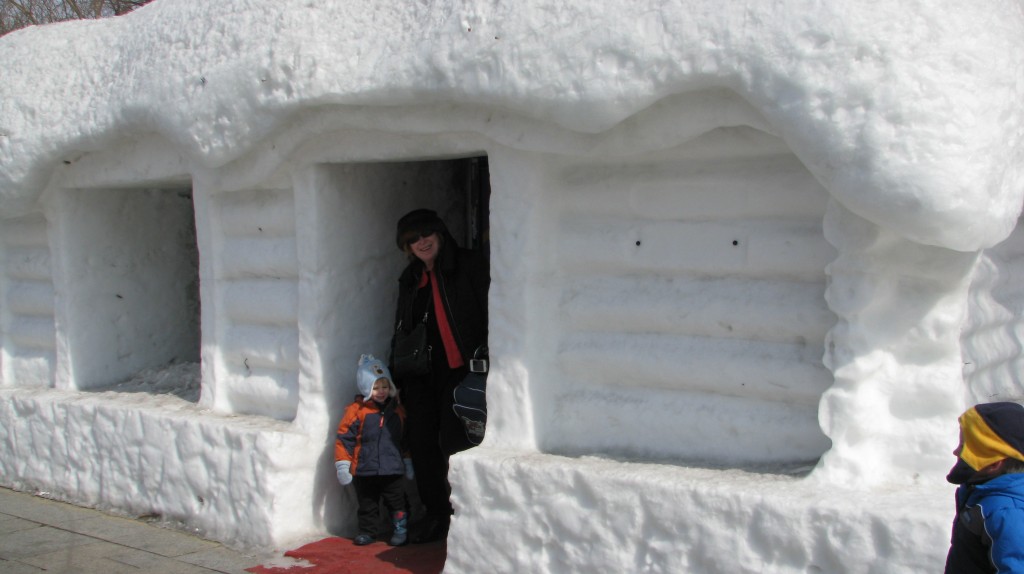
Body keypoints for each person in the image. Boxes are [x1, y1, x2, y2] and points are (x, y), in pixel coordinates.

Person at [390, 208, 488, 543]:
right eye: (413, 239)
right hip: (420, 374)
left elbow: (491, 312)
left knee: (455, 440)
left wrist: (488, 356)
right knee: (422, 444)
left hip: (459, 369)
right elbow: (401, 328)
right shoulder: (409, 278)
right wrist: (396, 379)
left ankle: (467, 514)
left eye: (425, 234)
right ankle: (437, 515)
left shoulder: (468, 265)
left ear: (439, 233)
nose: (421, 242)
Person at [335, 354, 415, 546]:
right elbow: (345, 438)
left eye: (384, 387)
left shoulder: (397, 411)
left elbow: (404, 439)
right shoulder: (356, 411)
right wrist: (343, 464)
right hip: (364, 468)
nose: (381, 392)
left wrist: (407, 460)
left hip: (392, 468)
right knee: (367, 504)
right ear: (366, 388)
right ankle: (367, 531)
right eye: (376, 387)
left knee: (397, 502)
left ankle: (401, 529)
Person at [944, 401, 1024, 573]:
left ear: (994, 463)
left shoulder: (1007, 511)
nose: (956, 451)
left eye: (965, 447)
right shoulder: (982, 490)